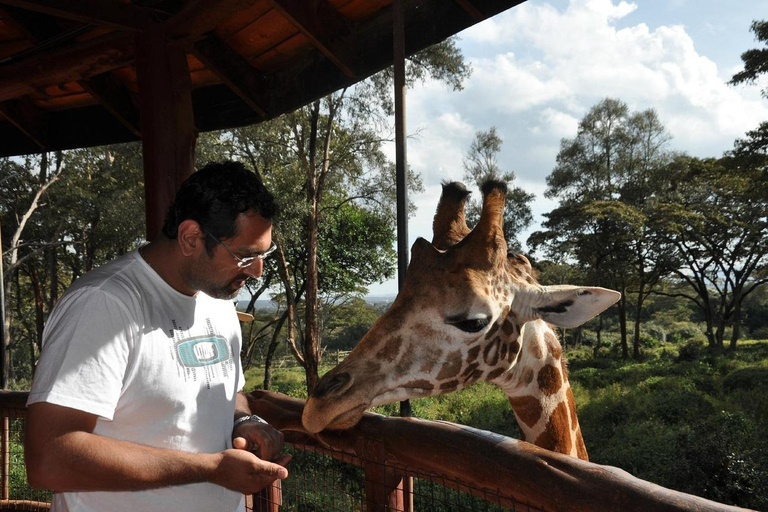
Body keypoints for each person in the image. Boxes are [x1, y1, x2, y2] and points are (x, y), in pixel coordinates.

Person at [25, 161, 291, 512]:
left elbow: (227, 393)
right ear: (191, 238)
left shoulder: (218, 299)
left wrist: (243, 419)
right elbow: (49, 458)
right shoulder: (104, 304)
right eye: (245, 256)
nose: (257, 271)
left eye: (262, 255)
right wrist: (211, 469)